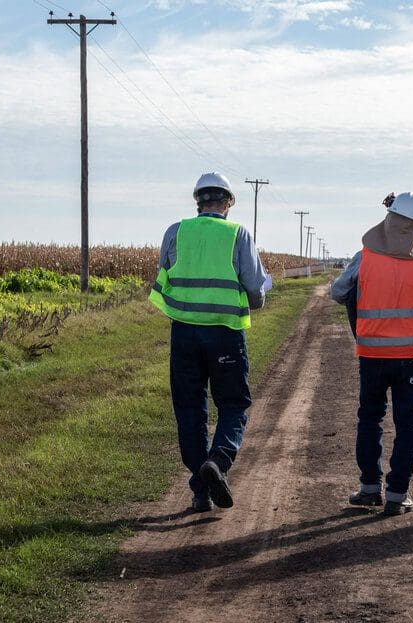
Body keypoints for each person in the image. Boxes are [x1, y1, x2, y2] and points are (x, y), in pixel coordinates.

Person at [149, 172, 271, 513]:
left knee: (190, 408)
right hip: (225, 334)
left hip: (184, 333)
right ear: (228, 203)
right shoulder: (238, 234)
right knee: (232, 404)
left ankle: (200, 490)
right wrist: (262, 292)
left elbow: (166, 273)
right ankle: (218, 461)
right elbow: (255, 293)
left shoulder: (176, 232)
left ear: (197, 201)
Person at [331, 192, 413, 516]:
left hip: (371, 356)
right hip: (412, 356)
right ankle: (397, 494)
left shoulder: (364, 257)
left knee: (370, 418)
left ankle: (370, 488)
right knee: (408, 424)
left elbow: (337, 292)